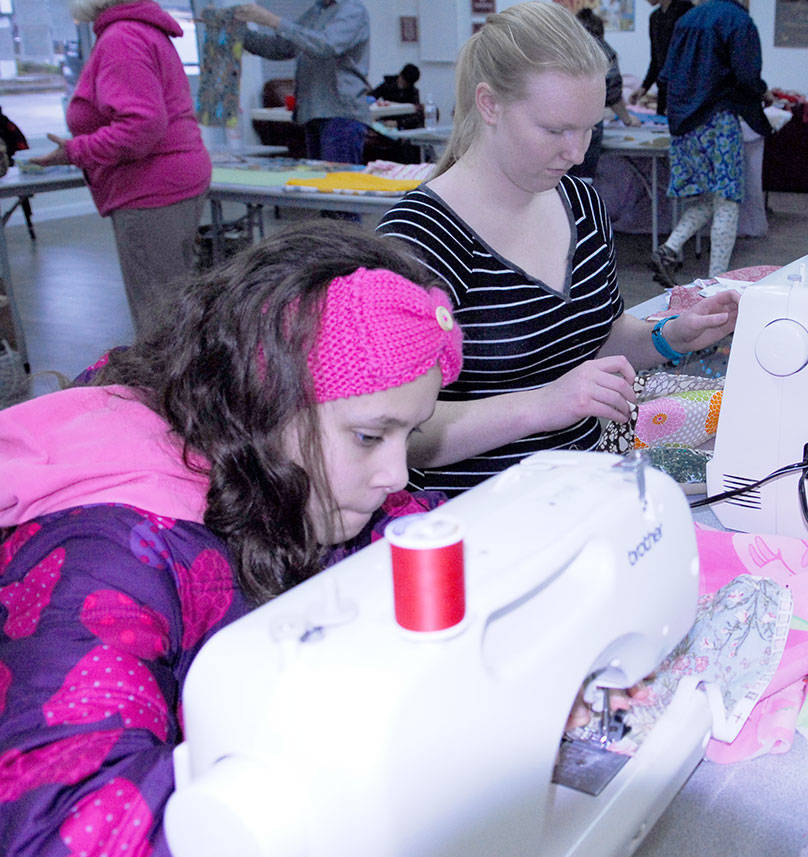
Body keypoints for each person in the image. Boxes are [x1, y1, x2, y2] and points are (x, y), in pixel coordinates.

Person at [0, 221, 463, 854]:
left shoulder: (284, 474)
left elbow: (418, 530)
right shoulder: (105, 554)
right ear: (262, 399)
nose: (395, 474)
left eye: (410, 435)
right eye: (369, 436)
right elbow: (62, 832)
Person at [376, 1, 738, 497]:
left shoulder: (580, 203)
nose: (577, 152)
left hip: (586, 488)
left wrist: (672, 336)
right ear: (490, 105)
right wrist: (544, 404)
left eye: (589, 128)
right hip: (478, 513)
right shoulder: (421, 238)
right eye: (555, 130)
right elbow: (398, 434)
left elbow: (596, 338)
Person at [30, 0, 211, 342]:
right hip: (172, 180)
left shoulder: (122, 37)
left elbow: (141, 126)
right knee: (173, 307)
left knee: (160, 321)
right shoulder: (138, 30)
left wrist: (74, 151)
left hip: (152, 187)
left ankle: (167, 393)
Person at [649, 0, 771, 284]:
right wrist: (761, 94)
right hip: (719, 121)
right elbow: (747, 76)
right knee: (728, 200)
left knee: (708, 199)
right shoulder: (738, 21)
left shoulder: (688, 18)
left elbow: (665, 75)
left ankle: (668, 250)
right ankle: (717, 282)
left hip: (684, 124)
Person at [236, 0, 371, 164]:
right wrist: (237, 33)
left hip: (341, 115)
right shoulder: (316, 11)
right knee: (319, 185)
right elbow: (282, 47)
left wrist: (272, 20)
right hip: (313, 114)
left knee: (337, 184)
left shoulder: (352, 10)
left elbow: (326, 45)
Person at [570, 7, 640, 182]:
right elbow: (613, 94)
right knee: (582, 185)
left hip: (556, 127)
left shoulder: (561, 51)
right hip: (588, 129)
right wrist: (627, 119)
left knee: (557, 188)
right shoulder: (604, 52)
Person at [629, 0, 693, 116]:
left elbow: (691, 57)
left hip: (685, 91)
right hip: (664, 91)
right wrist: (643, 88)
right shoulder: (655, 17)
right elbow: (656, 59)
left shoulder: (687, 11)